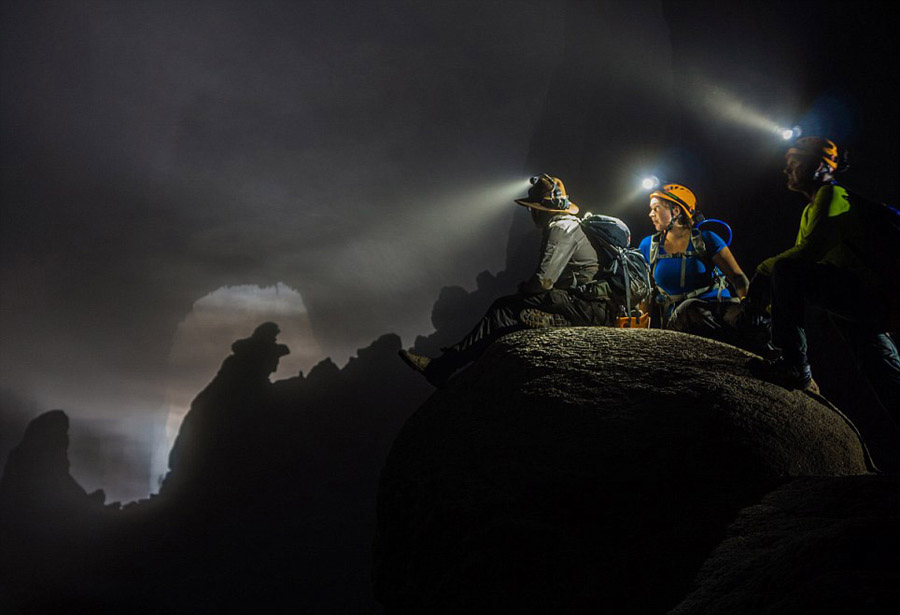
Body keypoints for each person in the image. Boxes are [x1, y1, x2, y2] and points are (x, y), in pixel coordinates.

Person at [399, 174, 613, 385]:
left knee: (503, 309)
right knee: (511, 309)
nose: (531, 214)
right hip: (581, 302)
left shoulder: (561, 228)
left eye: (532, 209)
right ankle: (450, 366)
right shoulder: (566, 226)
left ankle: (441, 368)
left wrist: (524, 291)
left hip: (584, 306)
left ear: (541, 209)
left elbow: (543, 282)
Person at [747, 137, 900, 415]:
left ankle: (794, 364)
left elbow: (805, 255)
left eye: (794, 162)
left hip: (867, 297)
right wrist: (768, 305)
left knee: (784, 269)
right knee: (884, 376)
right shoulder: (812, 207)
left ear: (818, 166)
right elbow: (797, 263)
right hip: (860, 302)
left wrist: (761, 274)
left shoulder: (833, 195)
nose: (786, 169)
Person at [638, 183, 749, 340]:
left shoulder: (706, 239)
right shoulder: (648, 246)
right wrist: (642, 327)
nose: (651, 214)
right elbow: (646, 292)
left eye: (656, 208)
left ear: (676, 211)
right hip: (682, 318)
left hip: (716, 309)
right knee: (690, 311)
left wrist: (748, 308)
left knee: (750, 320)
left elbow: (738, 278)